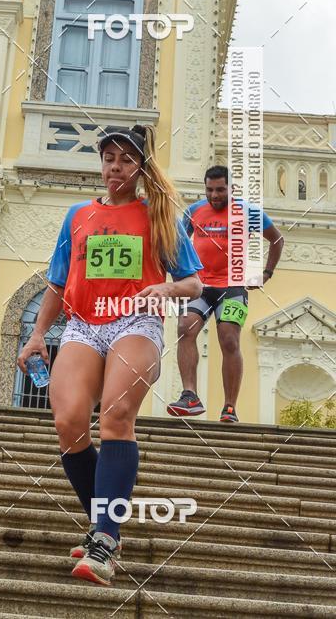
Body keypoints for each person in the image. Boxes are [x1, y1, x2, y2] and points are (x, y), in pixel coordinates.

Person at [17, 125, 202, 586]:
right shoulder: (78, 216)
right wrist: (38, 335)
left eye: (125, 159)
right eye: (109, 158)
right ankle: (107, 527)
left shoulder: (159, 216)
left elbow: (194, 283)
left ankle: (103, 542)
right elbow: (58, 285)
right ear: (101, 164)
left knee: (117, 414)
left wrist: (165, 286)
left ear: (139, 167)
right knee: (68, 422)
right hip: (84, 325)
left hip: (134, 321)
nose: (115, 167)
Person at [168, 165, 283, 423]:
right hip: (200, 285)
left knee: (229, 340)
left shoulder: (248, 211)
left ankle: (229, 407)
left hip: (233, 287)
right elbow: (177, 243)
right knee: (185, 328)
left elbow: (276, 239)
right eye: (209, 190)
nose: (214, 195)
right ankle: (190, 395)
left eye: (220, 190)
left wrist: (266, 273)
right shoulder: (194, 211)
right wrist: (180, 278)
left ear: (232, 188)